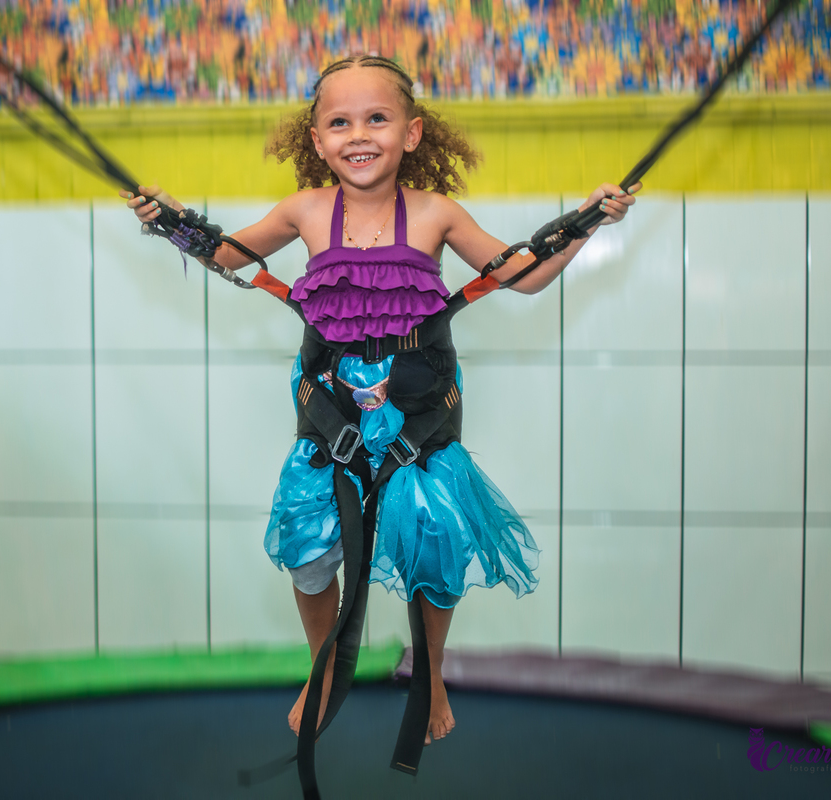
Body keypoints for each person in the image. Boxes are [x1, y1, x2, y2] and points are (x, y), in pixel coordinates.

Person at [123, 54, 638, 746]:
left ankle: (430, 670)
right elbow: (230, 255)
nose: (358, 135)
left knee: (435, 543)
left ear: (413, 133)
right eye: (339, 122)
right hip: (332, 413)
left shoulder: (434, 213)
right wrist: (171, 221)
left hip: (419, 417)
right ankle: (325, 664)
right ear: (317, 140)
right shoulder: (305, 210)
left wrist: (585, 224)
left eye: (376, 119)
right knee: (307, 548)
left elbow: (520, 274)